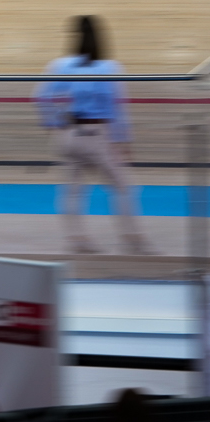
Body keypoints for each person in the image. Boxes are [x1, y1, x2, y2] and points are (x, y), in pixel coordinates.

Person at [35, 15, 154, 256]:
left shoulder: (61, 66)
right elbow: (117, 108)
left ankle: (77, 239)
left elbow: (41, 96)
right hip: (97, 134)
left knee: (72, 190)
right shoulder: (109, 67)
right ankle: (132, 237)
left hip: (69, 133)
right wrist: (123, 141)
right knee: (123, 186)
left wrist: (54, 122)